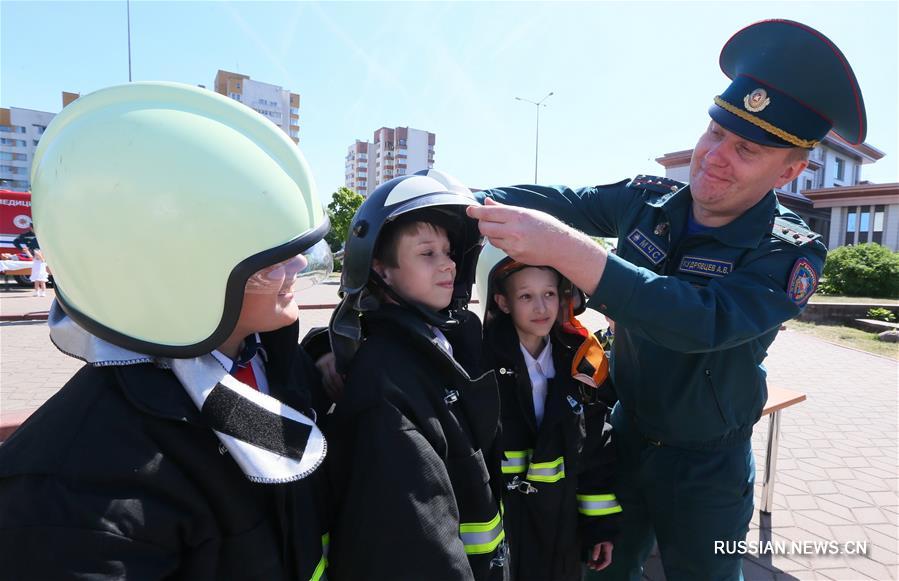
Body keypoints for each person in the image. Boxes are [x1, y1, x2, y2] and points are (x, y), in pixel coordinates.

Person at [466, 19, 866, 581]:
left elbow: (699, 322)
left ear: (791, 171)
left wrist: (566, 250)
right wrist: (460, 198)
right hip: (622, 436)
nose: (714, 156)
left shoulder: (788, 252)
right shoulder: (649, 201)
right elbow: (568, 200)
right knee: (604, 566)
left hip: (708, 464)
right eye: (714, 134)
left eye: (746, 149)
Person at [0, 81, 335, 580]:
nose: (300, 266)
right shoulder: (72, 491)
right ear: (180, 274)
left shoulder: (257, 363)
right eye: (272, 260)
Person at [323, 171, 507, 580]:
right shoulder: (385, 384)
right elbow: (422, 548)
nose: (447, 264)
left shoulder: (448, 343)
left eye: (448, 250)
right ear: (382, 270)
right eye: (427, 254)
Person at [476, 242, 620, 580]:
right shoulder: (478, 365)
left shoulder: (580, 361)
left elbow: (595, 448)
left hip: (562, 528)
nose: (542, 307)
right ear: (501, 301)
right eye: (526, 296)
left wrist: (600, 525)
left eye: (550, 294)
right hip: (505, 528)